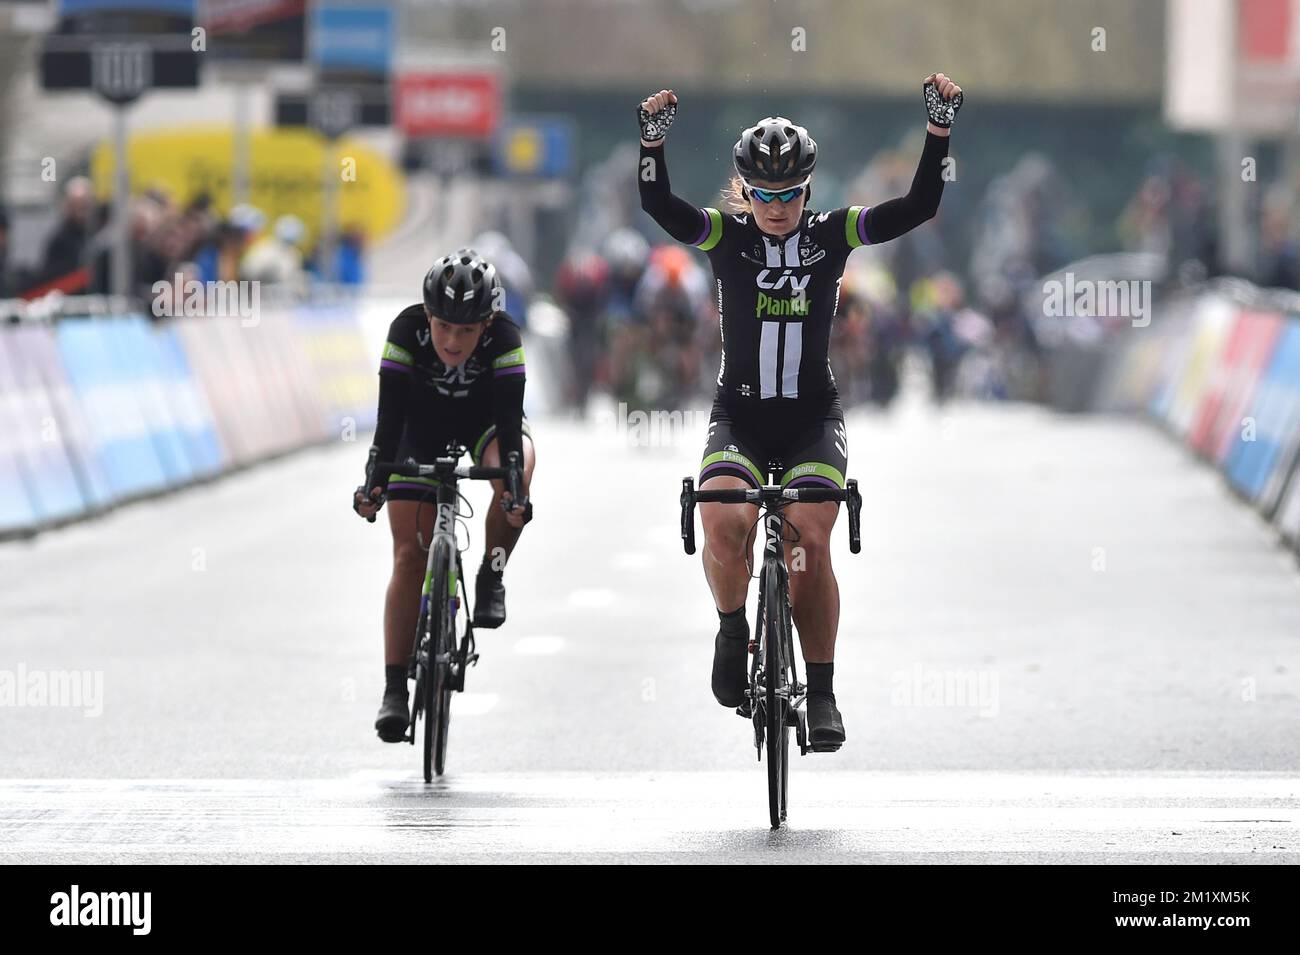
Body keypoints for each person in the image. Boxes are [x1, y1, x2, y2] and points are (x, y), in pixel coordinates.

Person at [637, 75, 962, 749]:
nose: (776, 207)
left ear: (807, 191)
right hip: (741, 416)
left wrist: (938, 133)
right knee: (724, 521)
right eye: (763, 194)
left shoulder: (833, 234)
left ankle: (821, 690)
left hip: (814, 417)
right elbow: (659, 204)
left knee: (809, 542)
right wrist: (652, 145)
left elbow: (920, 205)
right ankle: (733, 629)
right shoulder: (725, 236)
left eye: (788, 195)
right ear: (745, 191)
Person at [353, 249, 536, 743]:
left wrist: (513, 490)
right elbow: (387, 420)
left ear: (487, 323)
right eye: (444, 327)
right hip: (420, 431)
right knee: (409, 557)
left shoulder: (505, 338)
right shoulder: (404, 330)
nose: (453, 341)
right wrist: (374, 481)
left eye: (467, 330)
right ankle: (394, 689)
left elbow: (510, 425)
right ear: (428, 316)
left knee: (518, 468)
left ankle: (492, 571)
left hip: (484, 426)